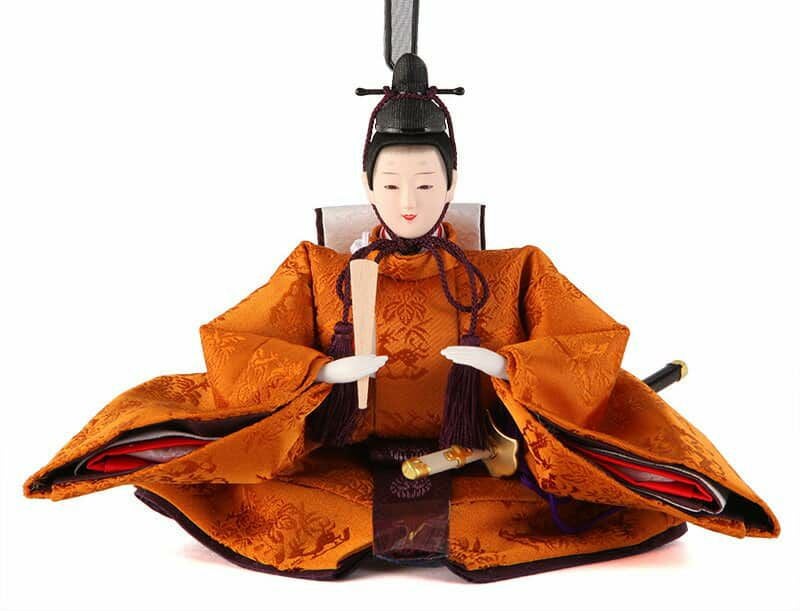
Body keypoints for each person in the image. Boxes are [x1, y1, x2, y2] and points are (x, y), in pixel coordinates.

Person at [23, 53, 778, 581]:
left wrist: (511, 367)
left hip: (478, 461)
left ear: (453, 180)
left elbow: (591, 343)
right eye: (390, 184)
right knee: (274, 503)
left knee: (529, 512)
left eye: (425, 182)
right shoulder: (317, 270)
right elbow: (236, 344)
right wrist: (318, 372)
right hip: (340, 463)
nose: (408, 201)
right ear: (366, 183)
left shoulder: (511, 271)